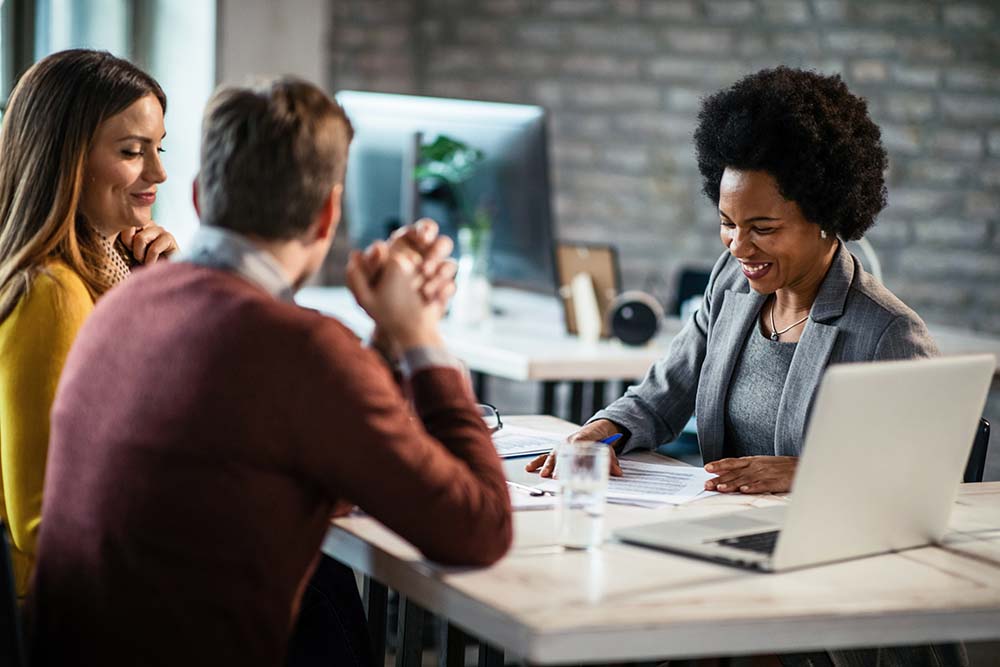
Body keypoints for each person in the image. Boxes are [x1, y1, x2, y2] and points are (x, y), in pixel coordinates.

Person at [29, 77, 512, 667]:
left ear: (202, 196)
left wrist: (383, 343)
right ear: (328, 212)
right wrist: (421, 338)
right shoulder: (303, 349)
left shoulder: (121, 301)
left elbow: (297, 453)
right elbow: (480, 530)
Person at [529, 66, 963, 667]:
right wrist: (604, 433)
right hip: (722, 563)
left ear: (825, 216)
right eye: (728, 225)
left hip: (830, 602)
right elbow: (663, 393)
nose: (738, 248)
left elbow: (923, 493)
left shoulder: (886, 332)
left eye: (762, 229)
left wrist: (806, 473)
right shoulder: (731, 284)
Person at [0, 49, 177, 599]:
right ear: (67, 159)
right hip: (61, 612)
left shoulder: (103, 271)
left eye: (159, 149)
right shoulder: (52, 293)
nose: (159, 173)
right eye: (132, 152)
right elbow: (44, 519)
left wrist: (156, 292)